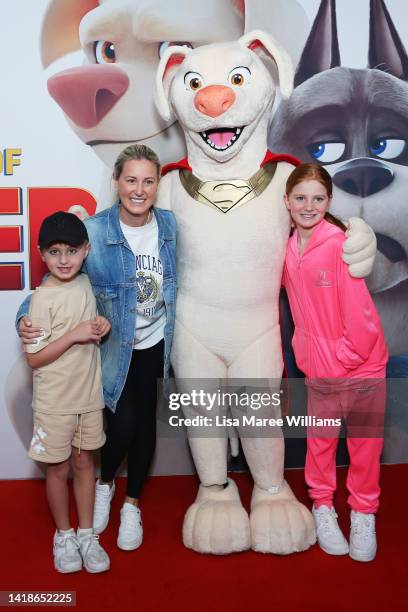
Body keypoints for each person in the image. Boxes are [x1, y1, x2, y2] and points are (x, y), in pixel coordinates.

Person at [17, 144, 177, 552]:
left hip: (157, 340)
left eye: (148, 181)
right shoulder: (94, 231)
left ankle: (132, 505)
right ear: (117, 182)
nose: (138, 190)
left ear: (158, 184)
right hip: (113, 347)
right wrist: (23, 317)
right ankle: (104, 485)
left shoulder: (172, 226)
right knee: (121, 426)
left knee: (145, 428)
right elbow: (57, 278)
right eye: (130, 180)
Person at [282, 163, 388, 562]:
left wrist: (342, 359)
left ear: (329, 202)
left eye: (318, 198)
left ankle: (363, 514)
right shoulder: (290, 248)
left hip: (360, 369)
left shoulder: (339, 244)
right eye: (300, 198)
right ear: (287, 201)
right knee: (320, 446)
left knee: (364, 449)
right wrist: (314, 358)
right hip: (319, 370)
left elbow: (360, 319)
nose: (308, 206)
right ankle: (323, 507)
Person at [25, 211, 111, 574]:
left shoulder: (88, 285)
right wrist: (74, 335)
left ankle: (87, 534)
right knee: (57, 469)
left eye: (72, 251)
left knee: (85, 464)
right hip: (54, 404)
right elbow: (35, 358)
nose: (64, 260)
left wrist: (101, 324)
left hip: (88, 400)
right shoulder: (42, 298)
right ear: (42, 254)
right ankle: (64, 534)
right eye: (55, 251)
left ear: (86, 250)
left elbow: (96, 322)